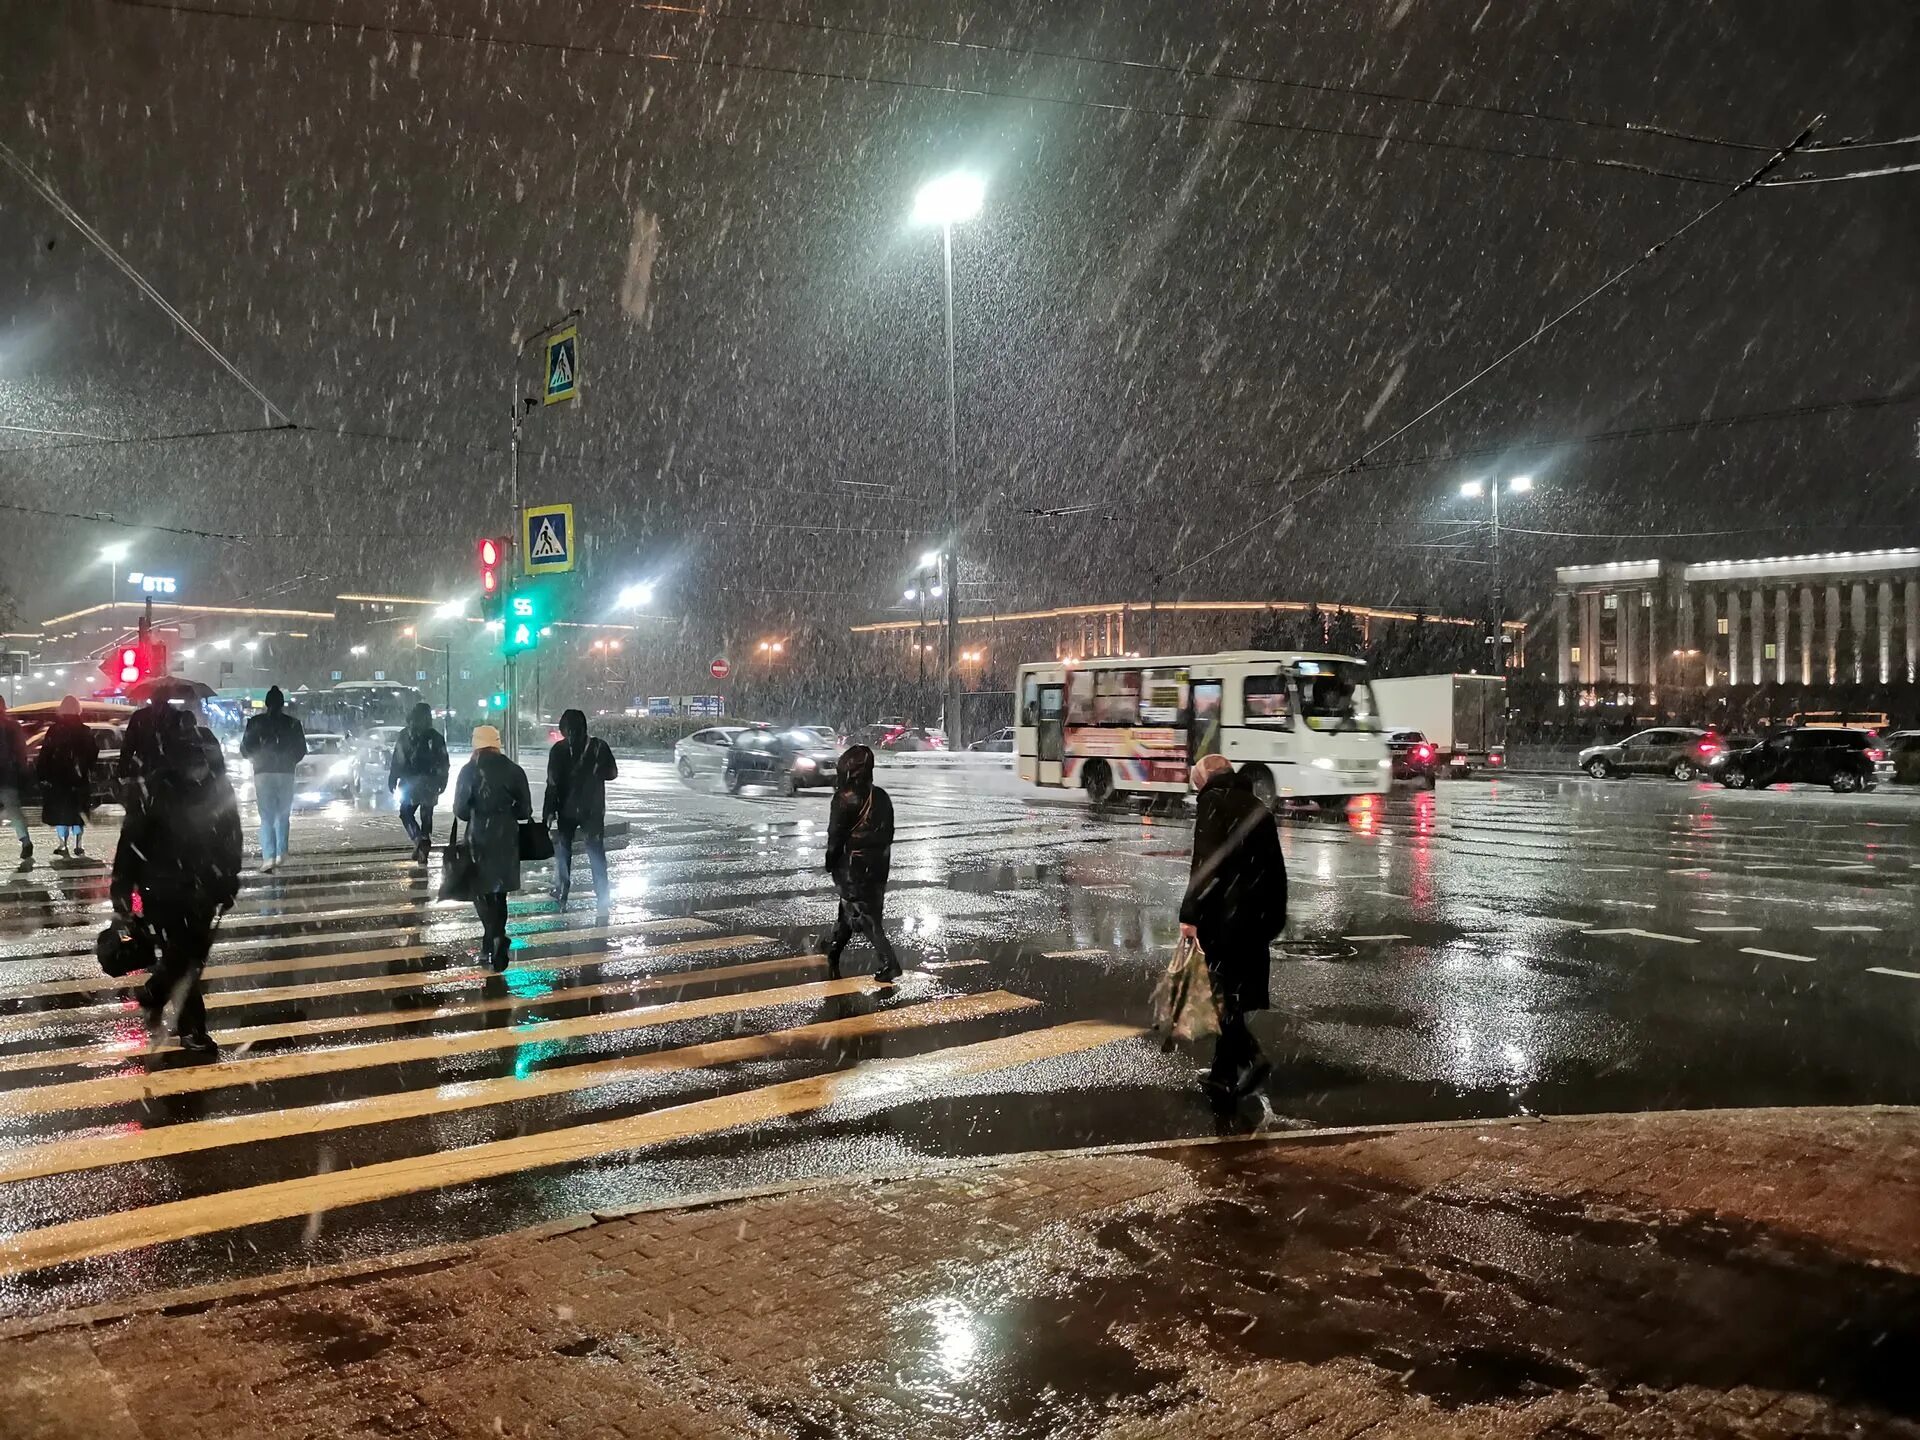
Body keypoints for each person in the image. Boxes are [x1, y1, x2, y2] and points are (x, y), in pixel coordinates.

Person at [117, 704, 243, 1056]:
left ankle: (157, 995)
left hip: (192, 885)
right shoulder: (162, 787)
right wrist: (123, 885)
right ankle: (191, 1028)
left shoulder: (188, 785)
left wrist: (228, 877)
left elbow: (231, 837)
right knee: (185, 958)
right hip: (170, 885)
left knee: (185, 956)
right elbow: (133, 839)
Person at [1179, 753, 1287, 1105]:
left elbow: (1206, 862)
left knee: (1223, 995)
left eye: (1197, 776)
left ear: (1207, 777)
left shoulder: (1212, 802)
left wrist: (1190, 913)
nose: (1195, 783)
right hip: (1255, 917)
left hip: (1225, 916)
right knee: (1234, 994)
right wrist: (1273, 919)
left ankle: (1250, 1060)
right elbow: (1276, 869)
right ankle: (1224, 1076)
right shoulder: (1258, 806)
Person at [453, 724, 531, 972]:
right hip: (507, 838)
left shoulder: (469, 771)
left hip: (479, 839)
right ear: (497, 743)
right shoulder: (513, 770)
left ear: (475, 745)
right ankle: (493, 941)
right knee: (499, 894)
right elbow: (524, 811)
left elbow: (461, 811)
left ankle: (494, 938)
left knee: (481, 892)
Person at [821, 744, 902, 983]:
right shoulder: (881, 796)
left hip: (853, 866)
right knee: (851, 908)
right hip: (878, 865)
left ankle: (890, 962)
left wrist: (830, 860)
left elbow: (835, 835)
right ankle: (834, 949)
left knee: (863, 914)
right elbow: (888, 833)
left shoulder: (844, 799)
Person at [542, 708, 618, 910]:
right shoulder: (598, 746)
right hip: (592, 809)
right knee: (595, 851)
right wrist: (595, 771)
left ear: (564, 728)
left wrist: (548, 812)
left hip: (566, 809)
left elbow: (552, 783)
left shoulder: (558, 750)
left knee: (564, 851)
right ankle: (602, 893)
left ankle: (563, 889)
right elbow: (612, 773)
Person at [239, 686, 306, 872]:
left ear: (266, 703)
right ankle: (282, 852)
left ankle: (268, 856)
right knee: (283, 814)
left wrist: (256, 760)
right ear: (282, 704)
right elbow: (302, 749)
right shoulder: (293, 723)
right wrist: (290, 761)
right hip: (285, 773)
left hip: (263, 773)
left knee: (266, 816)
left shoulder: (255, 722)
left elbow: (245, 748)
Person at [35, 697, 99, 859]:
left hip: (58, 778)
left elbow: (45, 754)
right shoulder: (85, 730)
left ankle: (62, 844)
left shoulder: (55, 730)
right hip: (79, 778)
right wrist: (85, 768)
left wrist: (42, 774)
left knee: (61, 812)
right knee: (77, 812)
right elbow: (93, 753)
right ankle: (78, 844)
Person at [388, 702, 450, 863]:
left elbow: (398, 759)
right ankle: (425, 839)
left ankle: (418, 839)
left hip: (410, 782)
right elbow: (443, 761)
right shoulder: (435, 737)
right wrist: (443, 781)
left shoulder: (405, 735)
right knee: (426, 814)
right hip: (430, 782)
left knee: (406, 813)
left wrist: (393, 777)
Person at [0, 697, 28, 871]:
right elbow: (21, 751)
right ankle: (25, 840)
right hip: (8, 775)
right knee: (14, 810)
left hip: (6, 773)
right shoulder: (13, 726)